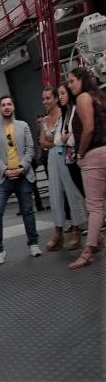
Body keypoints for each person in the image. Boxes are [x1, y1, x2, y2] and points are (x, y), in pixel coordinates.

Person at [0, 96, 41, 264]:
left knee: (28, 211)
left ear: (13, 107)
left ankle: (33, 244)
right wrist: (5, 171)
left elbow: (31, 148)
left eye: (9, 104)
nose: (7, 107)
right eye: (3, 105)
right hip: (2, 179)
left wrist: (23, 167)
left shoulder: (23, 126)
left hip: (23, 175)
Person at [68, 67, 106, 269]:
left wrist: (80, 154)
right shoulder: (98, 97)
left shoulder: (83, 98)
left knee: (94, 207)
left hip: (93, 155)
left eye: (72, 80)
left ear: (81, 80)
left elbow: (89, 128)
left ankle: (88, 250)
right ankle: (95, 241)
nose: (70, 84)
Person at [40, 86, 86, 252]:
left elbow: (59, 139)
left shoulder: (64, 114)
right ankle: (58, 232)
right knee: (55, 194)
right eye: (44, 98)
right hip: (52, 158)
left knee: (71, 191)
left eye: (48, 98)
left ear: (55, 99)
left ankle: (76, 230)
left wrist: (55, 142)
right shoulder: (45, 120)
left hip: (65, 155)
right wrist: (57, 141)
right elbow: (42, 142)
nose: (45, 101)